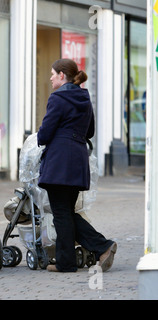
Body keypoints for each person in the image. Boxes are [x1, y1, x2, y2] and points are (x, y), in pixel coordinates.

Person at [37, 58, 117, 272]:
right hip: (78, 159)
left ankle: (100, 246)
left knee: (61, 212)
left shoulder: (58, 98)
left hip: (59, 160)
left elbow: (45, 134)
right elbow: (89, 131)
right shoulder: (84, 97)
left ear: (62, 75)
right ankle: (71, 259)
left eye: (53, 74)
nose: (51, 77)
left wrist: (39, 134)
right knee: (66, 211)